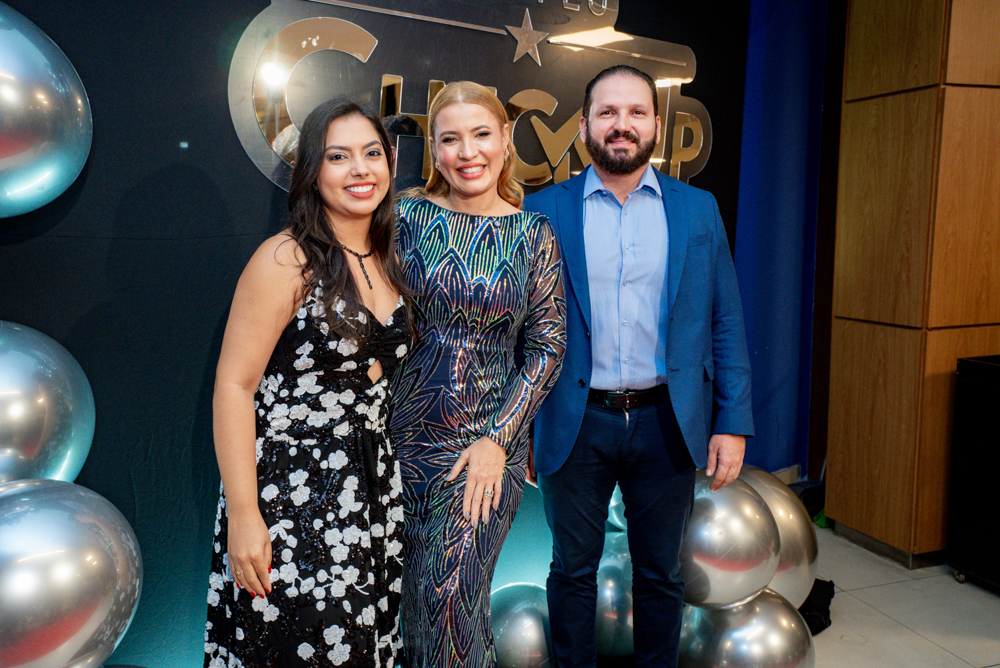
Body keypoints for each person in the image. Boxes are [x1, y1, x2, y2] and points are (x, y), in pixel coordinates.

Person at [523, 65, 754, 668]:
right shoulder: (542, 209)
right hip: (576, 420)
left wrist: (732, 421)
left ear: (656, 123)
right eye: (607, 113)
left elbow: (724, 318)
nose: (621, 125)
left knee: (661, 573)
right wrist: (519, 425)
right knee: (571, 571)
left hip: (666, 422)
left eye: (635, 112)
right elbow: (519, 331)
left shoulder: (698, 209)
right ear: (583, 127)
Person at [205, 98, 414, 667]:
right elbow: (233, 387)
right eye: (338, 156)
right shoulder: (284, 259)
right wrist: (246, 517)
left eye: (372, 153)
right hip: (293, 498)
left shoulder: (388, 258)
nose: (360, 169)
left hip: (374, 496)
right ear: (312, 172)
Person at [390, 81, 566, 667]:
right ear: (435, 152)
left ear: (506, 141)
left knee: (449, 609)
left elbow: (548, 345)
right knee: (402, 612)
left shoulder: (533, 234)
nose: (468, 152)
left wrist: (498, 438)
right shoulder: (405, 216)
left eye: (481, 134)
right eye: (451, 139)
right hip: (395, 441)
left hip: (482, 453)